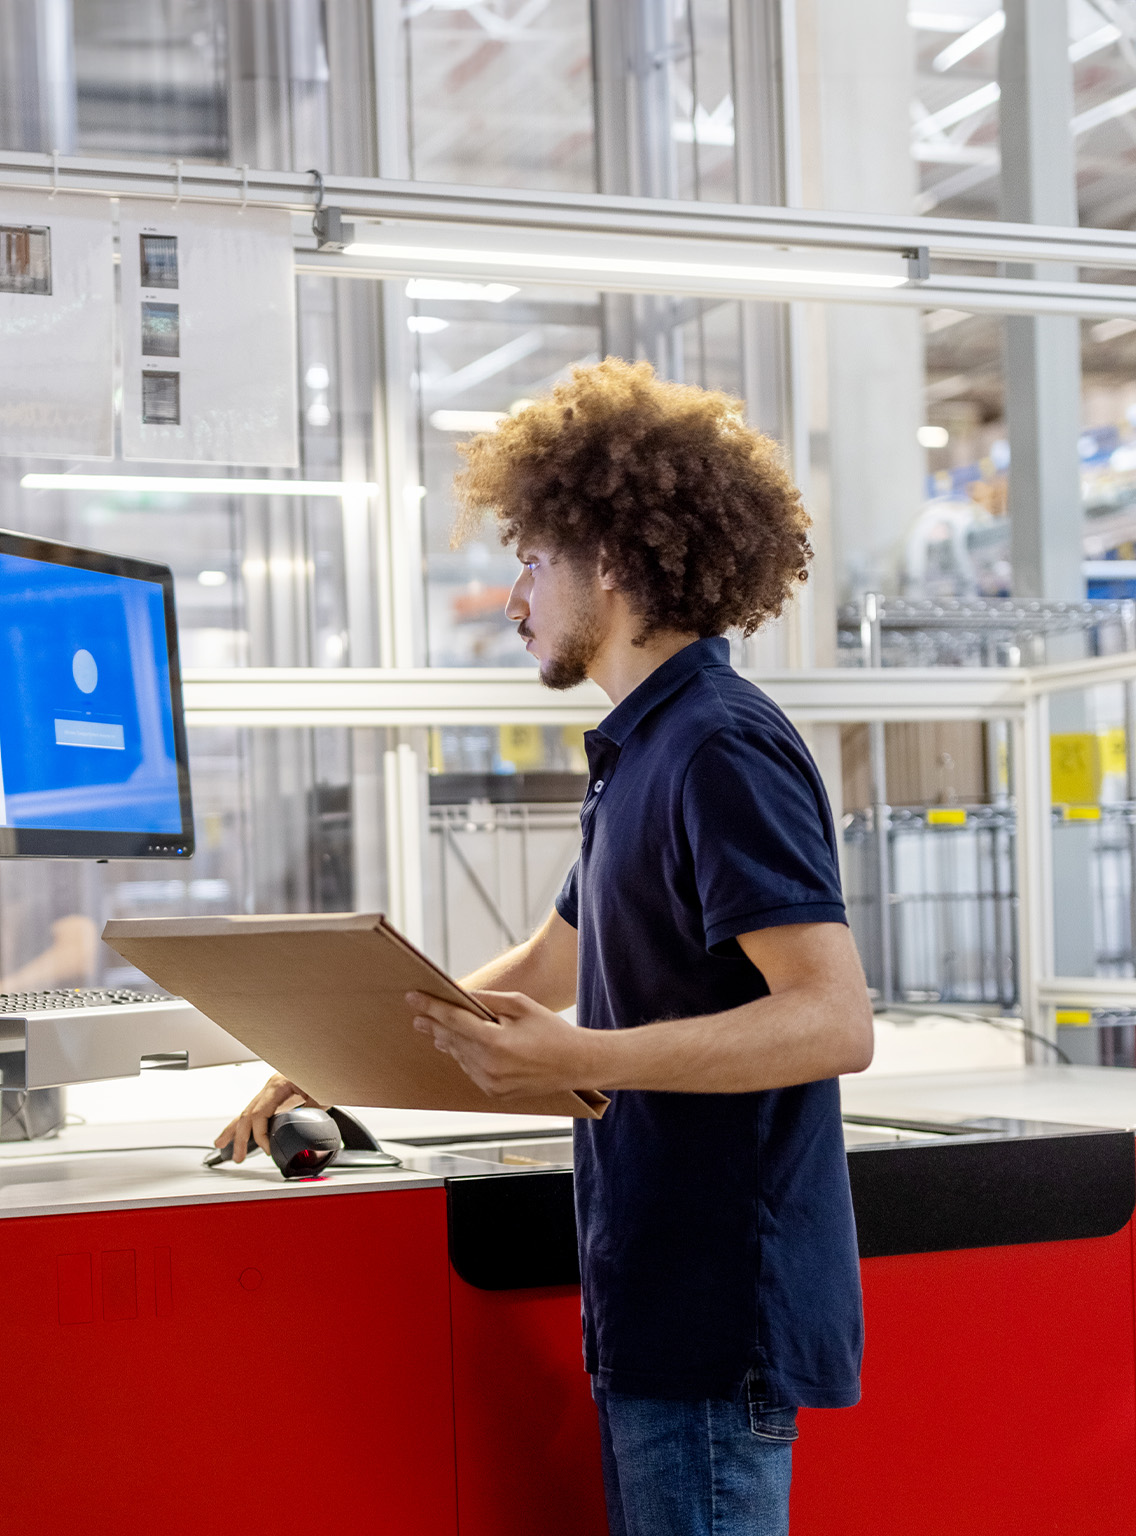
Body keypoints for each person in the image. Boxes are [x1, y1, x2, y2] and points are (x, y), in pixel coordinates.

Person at [215, 358, 872, 1536]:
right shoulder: (641, 752)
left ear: (611, 560)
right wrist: (327, 1046)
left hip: (719, 1320)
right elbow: (542, 966)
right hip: (657, 1304)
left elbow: (832, 1019)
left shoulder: (721, 747)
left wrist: (586, 1057)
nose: (515, 597)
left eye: (529, 560)